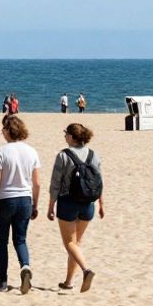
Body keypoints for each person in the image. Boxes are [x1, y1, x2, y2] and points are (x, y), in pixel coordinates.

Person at [0, 114, 41, 293]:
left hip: (5, 200)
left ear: (9, 131)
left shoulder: (1, 152)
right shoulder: (31, 151)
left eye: (3, 129)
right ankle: (25, 266)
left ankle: (3, 282)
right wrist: (35, 204)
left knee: (2, 241)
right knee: (20, 239)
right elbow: (37, 182)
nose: (2, 132)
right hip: (25, 199)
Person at [48, 123, 103, 292]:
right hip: (88, 203)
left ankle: (86, 271)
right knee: (76, 244)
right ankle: (69, 282)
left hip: (68, 202)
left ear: (72, 137)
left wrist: (51, 205)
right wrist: (102, 203)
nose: (64, 136)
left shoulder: (63, 155)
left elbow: (55, 183)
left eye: (66, 134)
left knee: (69, 243)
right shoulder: (94, 155)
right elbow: (99, 182)